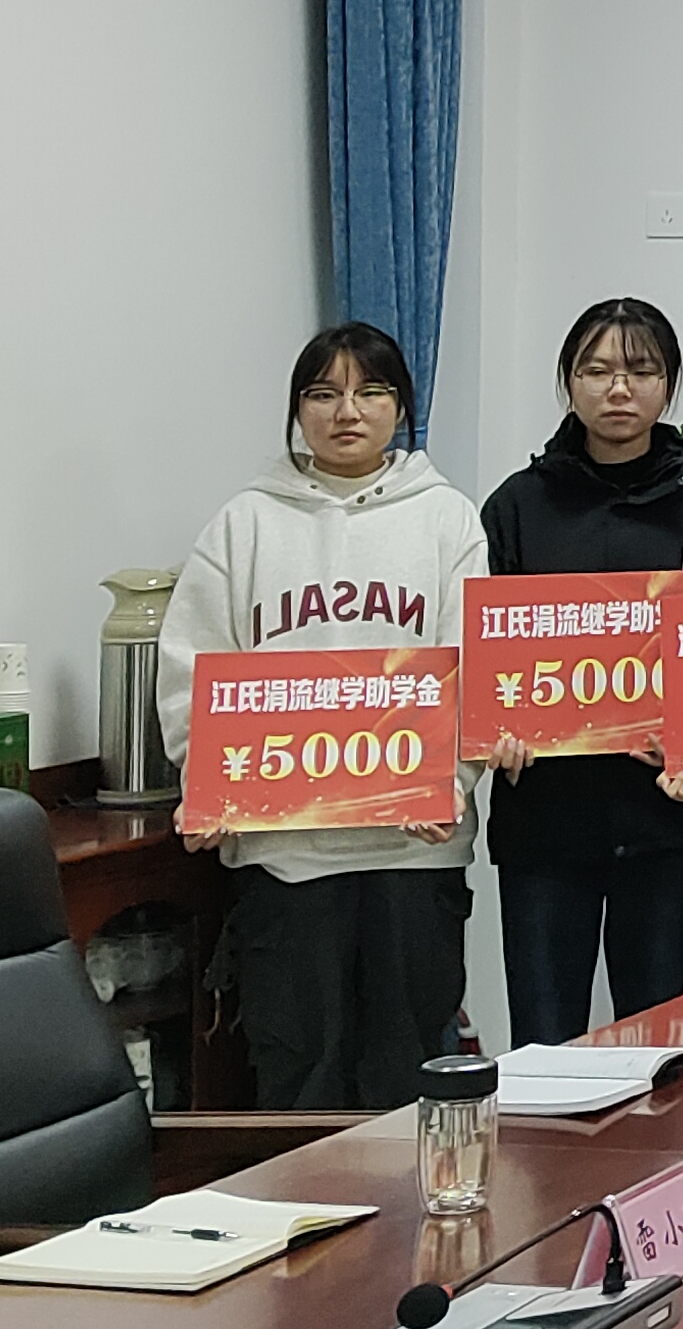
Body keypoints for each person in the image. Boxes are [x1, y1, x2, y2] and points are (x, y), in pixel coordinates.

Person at [161, 322, 489, 1107]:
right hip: (287, 858)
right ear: (297, 409)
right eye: (323, 393)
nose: (347, 411)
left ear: (400, 407)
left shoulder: (447, 519)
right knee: (296, 1072)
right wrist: (206, 782)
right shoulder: (244, 524)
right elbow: (192, 673)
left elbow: (473, 669)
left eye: (371, 391)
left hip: (413, 855)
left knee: (409, 1075)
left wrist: (451, 781)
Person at [476, 298, 683, 1042]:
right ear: (569, 383)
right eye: (596, 371)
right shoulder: (518, 506)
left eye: (641, 370)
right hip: (545, 816)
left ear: (669, 385)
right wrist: (493, 730)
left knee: (654, 1040)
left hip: (665, 816)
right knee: (543, 1041)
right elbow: (482, 653)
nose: (619, 389)